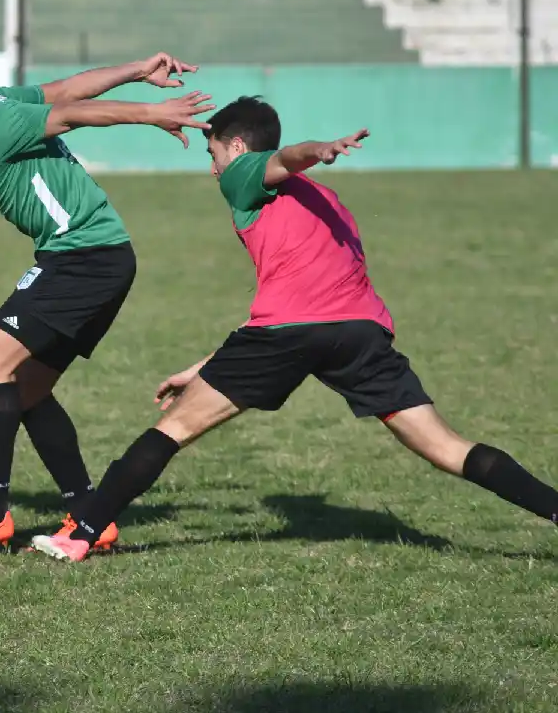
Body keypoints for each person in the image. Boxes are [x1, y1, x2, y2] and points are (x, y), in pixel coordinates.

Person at [31, 96, 558, 562]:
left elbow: (285, 161)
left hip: (288, 334)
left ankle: (81, 534)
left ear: (236, 148)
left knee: (173, 429)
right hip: (358, 333)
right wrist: (203, 368)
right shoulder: (332, 204)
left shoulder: (243, 175)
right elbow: (305, 297)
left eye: (212, 154)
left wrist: (319, 147)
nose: (213, 170)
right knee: (448, 448)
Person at [0, 39, 215, 553]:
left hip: (85, 257)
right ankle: (90, 516)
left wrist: (152, 113)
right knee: (25, 390)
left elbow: (70, 113)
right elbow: (64, 89)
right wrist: (137, 69)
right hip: (87, 256)